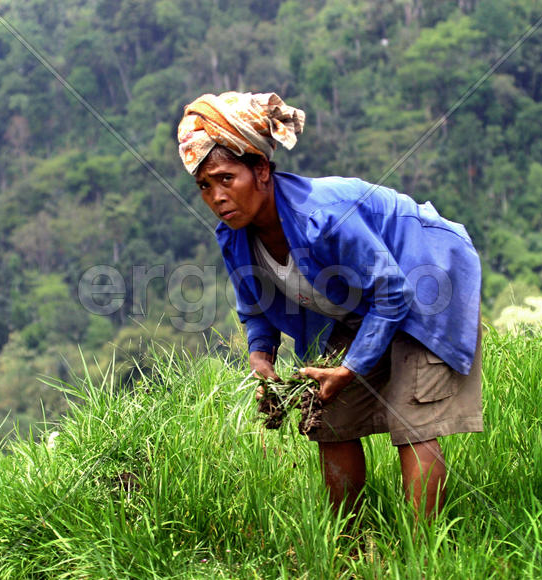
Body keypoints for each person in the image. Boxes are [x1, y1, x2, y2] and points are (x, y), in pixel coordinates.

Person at [177, 91, 483, 520]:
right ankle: (347, 545)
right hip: (364, 304)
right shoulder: (233, 235)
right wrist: (261, 359)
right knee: (330, 418)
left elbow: (393, 292)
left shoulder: (323, 218)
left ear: (261, 170)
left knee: (414, 423)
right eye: (205, 185)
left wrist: (352, 367)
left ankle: (423, 552)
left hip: (427, 278)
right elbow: (254, 305)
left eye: (227, 179)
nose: (216, 196)